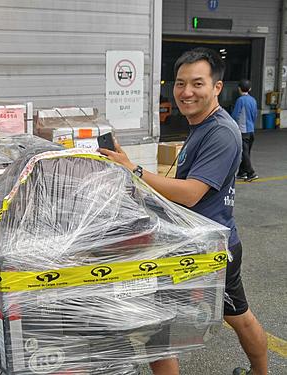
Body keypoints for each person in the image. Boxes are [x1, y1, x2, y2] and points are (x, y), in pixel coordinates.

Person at [99, 48, 267, 375]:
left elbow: (191, 194)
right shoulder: (202, 126)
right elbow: (182, 184)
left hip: (208, 249)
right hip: (201, 242)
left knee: (161, 334)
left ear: (216, 87)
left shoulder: (220, 131)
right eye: (179, 83)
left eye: (197, 84)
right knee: (237, 318)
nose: (186, 92)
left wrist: (132, 170)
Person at [232, 79, 258, 182]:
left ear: (239, 89)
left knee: (243, 153)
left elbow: (235, 115)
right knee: (247, 152)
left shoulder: (241, 100)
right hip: (251, 130)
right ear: (250, 89)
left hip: (243, 131)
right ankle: (242, 173)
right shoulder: (253, 100)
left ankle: (251, 173)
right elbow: (255, 115)